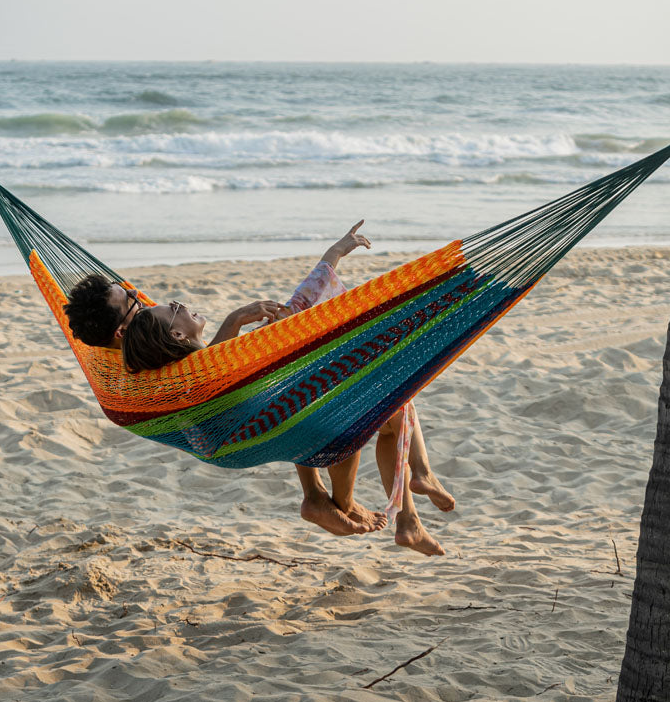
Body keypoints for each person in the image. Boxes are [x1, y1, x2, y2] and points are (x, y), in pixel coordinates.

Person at [66, 222, 453, 555]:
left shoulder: (125, 361)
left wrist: (330, 258)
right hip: (242, 426)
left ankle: (401, 515)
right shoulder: (167, 358)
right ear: (123, 330)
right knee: (357, 400)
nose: (138, 293)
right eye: (132, 299)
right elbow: (206, 371)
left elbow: (214, 368)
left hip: (240, 423)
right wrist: (237, 320)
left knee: (358, 390)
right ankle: (369, 498)